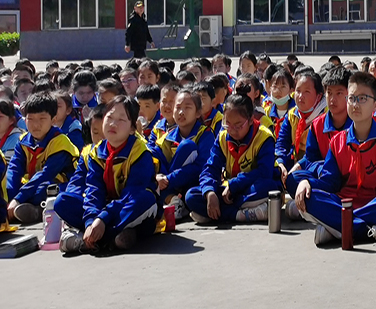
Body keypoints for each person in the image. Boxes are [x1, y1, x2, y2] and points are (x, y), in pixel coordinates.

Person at [291, 71, 376, 245]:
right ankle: (371, 231)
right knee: (309, 197)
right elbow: (329, 182)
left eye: (362, 99)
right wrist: (308, 183)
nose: (355, 104)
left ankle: (339, 229)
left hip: (375, 201)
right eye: (352, 98)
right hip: (344, 202)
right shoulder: (337, 142)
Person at [58, 97, 160, 255]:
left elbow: (132, 193)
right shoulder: (96, 152)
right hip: (105, 206)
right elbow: (94, 190)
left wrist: (103, 219)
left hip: (126, 206)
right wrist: (91, 220)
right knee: (62, 201)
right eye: (109, 117)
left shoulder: (140, 152)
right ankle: (109, 237)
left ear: (133, 128)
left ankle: (95, 239)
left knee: (145, 199)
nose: (113, 124)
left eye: (121, 120)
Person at [185, 94, 276, 224]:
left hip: (250, 187)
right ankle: (240, 214)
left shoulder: (264, 137)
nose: (232, 130)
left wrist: (235, 185)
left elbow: (264, 172)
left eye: (238, 125)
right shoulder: (223, 136)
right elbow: (210, 168)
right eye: (227, 124)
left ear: (251, 120)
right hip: (227, 191)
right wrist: (210, 192)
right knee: (192, 196)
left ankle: (218, 214)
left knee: (269, 187)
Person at [5, 92, 79, 224]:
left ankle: (38, 212)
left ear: (54, 120)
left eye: (42, 119)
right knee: (7, 186)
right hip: (32, 184)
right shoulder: (23, 141)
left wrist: (18, 198)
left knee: (44, 190)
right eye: (30, 119)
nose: (35, 125)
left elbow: (46, 174)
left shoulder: (60, 141)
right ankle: (18, 210)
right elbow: (14, 170)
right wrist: (11, 196)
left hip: (60, 184)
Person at [153, 85, 216, 218]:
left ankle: (175, 202)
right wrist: (158, 177)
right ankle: (174, 201)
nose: (181, 112)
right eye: (178, 107)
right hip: (169, 185)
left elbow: (201, 166)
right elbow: (156, 159)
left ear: (198, 113)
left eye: (187, 108)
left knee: (187, 146)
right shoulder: (167, 137)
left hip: (194, 183)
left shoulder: (205, 134)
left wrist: (168, 179)